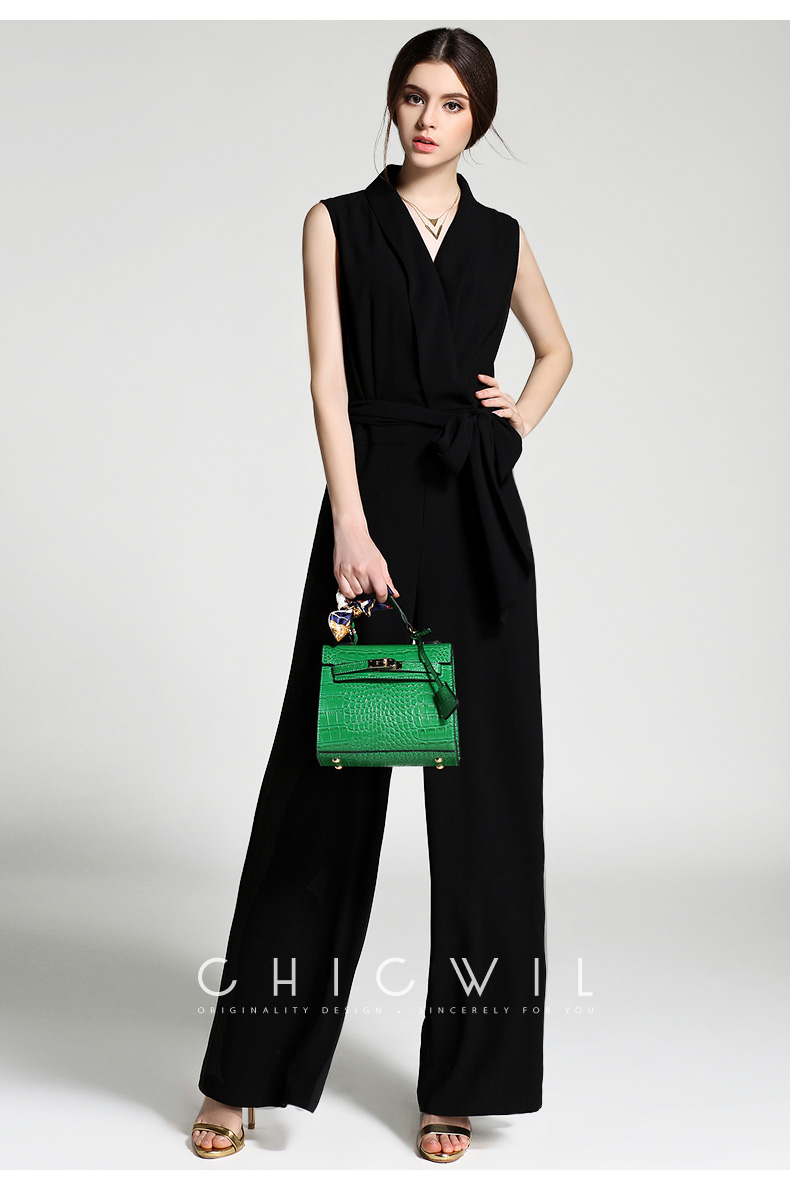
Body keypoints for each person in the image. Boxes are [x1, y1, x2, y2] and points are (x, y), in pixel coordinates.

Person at [190, 25, 572, 1164]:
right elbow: (327, 382)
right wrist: (351, 527)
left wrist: (512, 427)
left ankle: (461, 1083)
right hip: (378, 529)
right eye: (413, 97)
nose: (427, 119)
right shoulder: (337, 223)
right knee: (326, 801)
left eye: (451, 103)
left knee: (487, 811)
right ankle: (242, 1075)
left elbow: (557, 351)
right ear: (393, 103)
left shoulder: (502, 237)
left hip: (477, 529)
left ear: (478, 119)